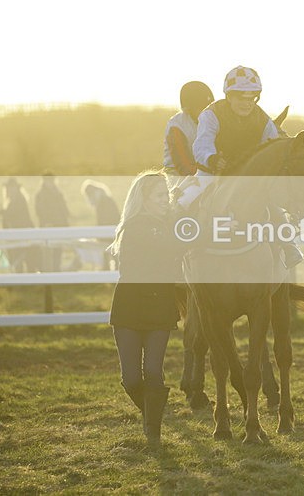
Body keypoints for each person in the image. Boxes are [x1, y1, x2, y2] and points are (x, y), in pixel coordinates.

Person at [184, 65, 302, 268]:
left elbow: (273, 146)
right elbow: (201, 145)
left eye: (252, 98)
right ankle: (177, 250)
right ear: (229, 96)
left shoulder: (263, 119)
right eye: (242, 98)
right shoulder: (210, 115)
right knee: (183, 199)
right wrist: (211, 159)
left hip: (246, 178)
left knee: (272, 203)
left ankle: (289, 245)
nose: (247, 104)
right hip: (211, 173)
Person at [108, 170, 183, 446]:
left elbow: (179, 248)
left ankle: (153, 431)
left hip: (160, 306)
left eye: (167, 195)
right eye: (160, 196)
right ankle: (153, 414)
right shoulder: (135, 227)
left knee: (153, 371)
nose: (166, 200)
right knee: (130, 379)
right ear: (145, 198)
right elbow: (153, 257)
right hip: (130, 305)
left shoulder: (170, 224)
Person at [163, 81, 215, 183]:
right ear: (189, 109)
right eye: (201, 108)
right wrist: (211, 172)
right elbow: (183, 166)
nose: (206, 112)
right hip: (178, 178)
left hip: (207, 173)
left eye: (208, 108)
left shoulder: (212, 120)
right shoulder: (177, 126)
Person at [1, 177, 40, 273]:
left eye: (12, 188)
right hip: (17, 236)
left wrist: (2, 213)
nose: (11, 190)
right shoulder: (11, 202)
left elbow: (16, 217)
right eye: (9, 188)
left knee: (26, 260)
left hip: (22, 235)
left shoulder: (19, 201)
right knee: (21, 261)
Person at [34, 171, 70, 271]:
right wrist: (47, 223)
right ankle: (49, 274)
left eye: (51, 180)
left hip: (59, 226)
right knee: (48, 253)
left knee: (58, 251)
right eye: (48, 180)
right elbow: (40, 211)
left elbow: (64, 209)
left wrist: (65, 222)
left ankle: (56, 271)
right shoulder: (41, 195)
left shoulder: (58, 193)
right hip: (48, 227)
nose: (50, 182)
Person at [81, 179, 121, 269]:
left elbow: (106, 218)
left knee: (109, 254)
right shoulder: (105, 199)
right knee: (111, 255)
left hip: (108, 233)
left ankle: (108, 273)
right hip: (110, 232)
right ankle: (110, 273)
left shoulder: (103, 202)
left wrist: (100, 232)